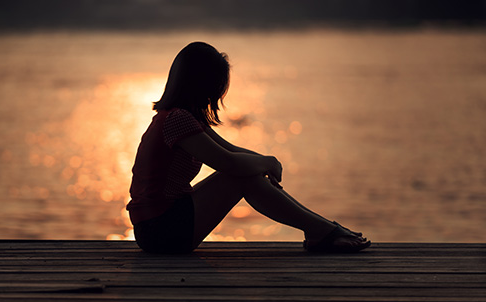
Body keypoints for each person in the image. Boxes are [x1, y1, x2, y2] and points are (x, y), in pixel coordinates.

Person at [126, 42, 370, 254]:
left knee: (244, 173)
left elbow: (231, 150)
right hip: (160, 230)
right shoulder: (177, 120)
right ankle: (323, 231)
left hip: (158, 227)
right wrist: (267, 163)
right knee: (238, 177)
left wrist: (265, 162)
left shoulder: (181, 118)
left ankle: (321, 228)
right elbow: (229, 163)